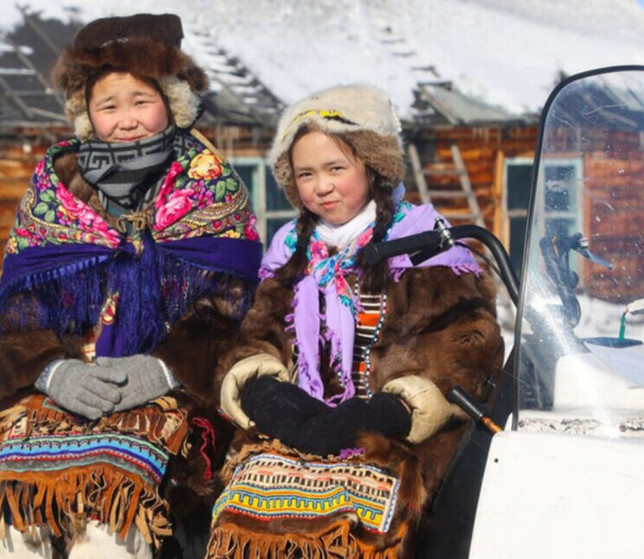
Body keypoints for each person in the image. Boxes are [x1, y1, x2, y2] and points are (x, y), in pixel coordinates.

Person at [0, 13, 262, 559]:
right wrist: (50, 368)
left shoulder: (209, 186)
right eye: (107, 105)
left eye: (141, 101)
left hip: (170, 397)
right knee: (19, 518)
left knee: (109, 526)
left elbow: (233, 309)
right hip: (62, 391)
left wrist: (165, 367)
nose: (125, 120)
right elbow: (18, 310)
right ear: (86, 114)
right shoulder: (56, 189)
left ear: (172, 102)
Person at [208, 85, 505, 558]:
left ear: (373, 166)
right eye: (305, 174)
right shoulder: (291, 249)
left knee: (360, 529)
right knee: (246, 515)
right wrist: (265, 389)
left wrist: (386, 410)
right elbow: (258, 331)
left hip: (394, 432)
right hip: (301, 425)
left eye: (335, 169)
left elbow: (468, 344)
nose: (321, 186)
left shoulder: (421, 242)